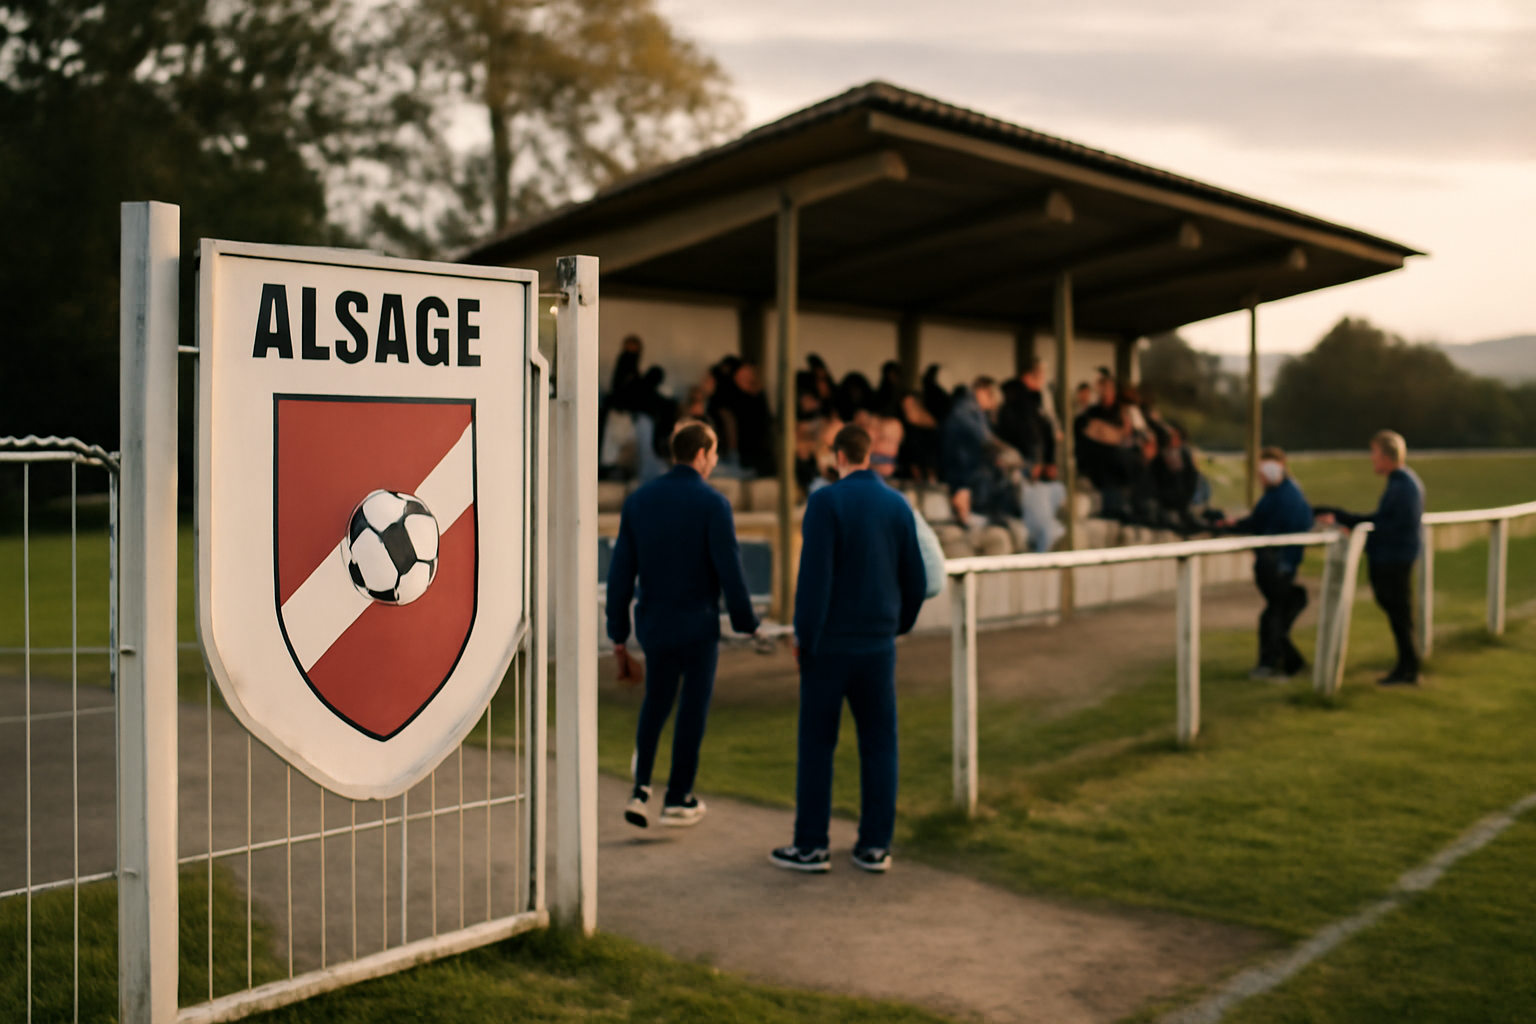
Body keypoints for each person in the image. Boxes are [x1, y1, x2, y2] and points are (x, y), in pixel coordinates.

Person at [771, 425, 927, 874]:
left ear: (838, 456)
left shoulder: (825, 502)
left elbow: (814, 580)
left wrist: (803, 637)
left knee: (818, 744)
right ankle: (875, 845)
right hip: (878, 645)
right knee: (880, 743)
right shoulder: (897, 504)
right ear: (869, 454)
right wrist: (897, 625)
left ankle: (811, 845)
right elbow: (916, 580)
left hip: (830, 646)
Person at [606, 421, 761, 828]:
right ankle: (678, 797)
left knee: (656, 702)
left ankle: (641, 788)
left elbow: (621, 574)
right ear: (701, 454)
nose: (714, 460)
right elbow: (730, 570)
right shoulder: (713, 504)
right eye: (713, 453)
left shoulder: (639, 501)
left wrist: (618, 635)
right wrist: (747, 622)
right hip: (698, 626)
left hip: (655, 624)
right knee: (692, 709)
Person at [1314, 430, 1425, 685]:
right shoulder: (1402, 483)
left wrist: (1354, 528)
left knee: (1399, 613)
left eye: (1374, 453)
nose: (1372, 459)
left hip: (1394, 559)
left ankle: (1409, 669)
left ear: (1387, 456)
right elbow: (1384, 520)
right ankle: (1408, 667)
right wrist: (1348, 520)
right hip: (1396, 557)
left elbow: (1392, 526)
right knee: (1399, 613)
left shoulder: (1403, 486)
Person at [1225, 447, 1313, 678]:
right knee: (1274, 615)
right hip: (1275, 564)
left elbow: (1277, 526)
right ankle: (1287, 663)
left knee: (1273, 616)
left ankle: (1275, 663)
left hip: (1278, 566)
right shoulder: (1280, 494)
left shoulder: (1286, 495)